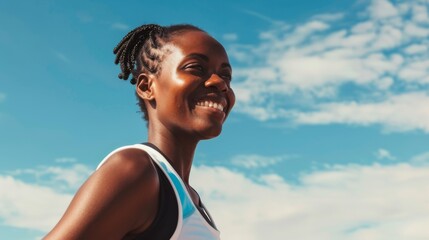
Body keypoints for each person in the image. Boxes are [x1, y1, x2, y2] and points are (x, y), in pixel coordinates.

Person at [44, 23, 235, 240]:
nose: (220, 83)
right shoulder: (136, 170)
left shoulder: (193, 202)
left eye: (226, 76)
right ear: (146, 87)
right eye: (196, 68)